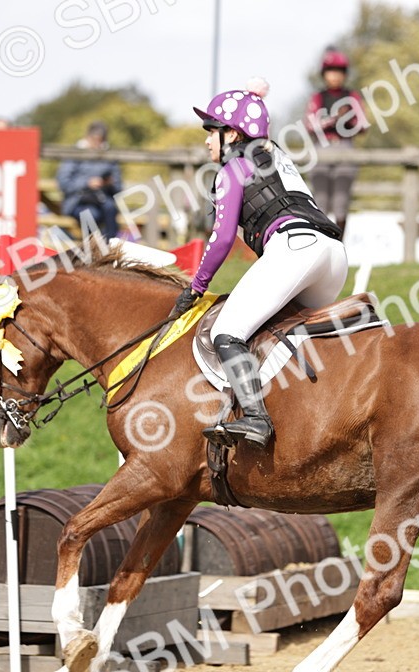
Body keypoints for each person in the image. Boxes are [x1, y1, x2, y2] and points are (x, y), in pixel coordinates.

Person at [170, 89, 347, 448]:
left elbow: (221, 240)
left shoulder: (232, 169)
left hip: (295, 250)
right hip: (334, 255)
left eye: (212, 131)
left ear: (232, 134)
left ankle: (256, 418)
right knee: (277, 332)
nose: (207, 141)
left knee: (227, 332)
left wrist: (195, 288)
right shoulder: (279, 158)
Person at [303, 47, 368, 233]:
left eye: (339, 71)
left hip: (345, 147)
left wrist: (348, 119)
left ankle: (339, 242)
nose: (334, 76)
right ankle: (321, 241)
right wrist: (334, 118)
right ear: (324, 74)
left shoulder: (352, 97)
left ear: (344, 74)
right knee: (320, 200)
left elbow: (363, 125)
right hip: (322, 147)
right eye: (331, 71)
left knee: (341, 200)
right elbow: (310, 124)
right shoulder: (318, 97)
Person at [56, 121, 122, 239]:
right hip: (77, 201)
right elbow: (63, 183)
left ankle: (109, 245)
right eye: (95, 140)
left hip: (102, 199)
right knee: (91, 214)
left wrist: (107, 183)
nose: (97, 144)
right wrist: (87, 183)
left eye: (100, 140)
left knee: (111, 209)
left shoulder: (109, 157)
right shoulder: (74, 154)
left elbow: (118, 186)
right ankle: (93, 247)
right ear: (88, 137)